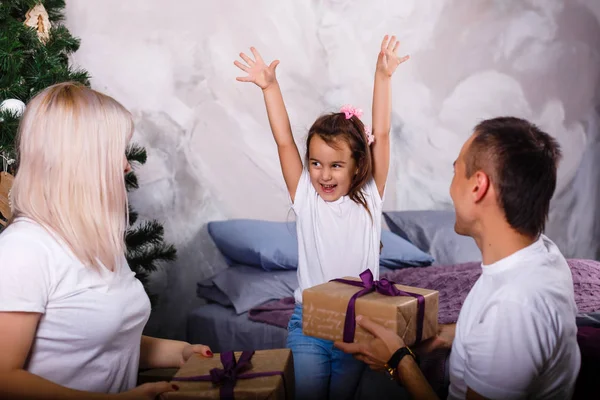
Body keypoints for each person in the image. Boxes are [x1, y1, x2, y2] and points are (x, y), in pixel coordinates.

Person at [336, 117, 581, 399]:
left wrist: (398, 360)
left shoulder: (514, 308)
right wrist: (438, 337)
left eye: (456, 171)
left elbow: (508, 326)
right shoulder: (544, 254)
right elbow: (492, 337)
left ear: (478, 186)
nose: (451, 188)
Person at [0, 82, 213, 400]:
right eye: (118, 152)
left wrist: (179, 353)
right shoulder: (24, 250)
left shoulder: (96, 241)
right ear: (80, 160)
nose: (127, 165)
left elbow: (99, 341)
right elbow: (5, 378)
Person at [234, 36, 409, 399]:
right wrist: (269, 87)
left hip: (359, 323)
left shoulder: (370, 197)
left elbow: (384, 134)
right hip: (310, 323)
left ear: (358, 164)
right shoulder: (306, 198)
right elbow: (284, 141)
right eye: (315, 163)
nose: (323, 175)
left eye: (335, 165)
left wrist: (383, 76)